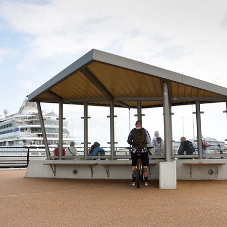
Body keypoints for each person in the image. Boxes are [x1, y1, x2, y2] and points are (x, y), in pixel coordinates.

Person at [127, 120, 151, 186]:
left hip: (134, 151)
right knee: (145, 165)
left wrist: (133, 143)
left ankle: (133, 181)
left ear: (135, 125)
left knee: (134, 165)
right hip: (144, 151)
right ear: (141, 125)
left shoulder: (132, 131)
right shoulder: (145, 131)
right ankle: (146, 181)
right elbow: (148, 141)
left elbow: (129, 141)